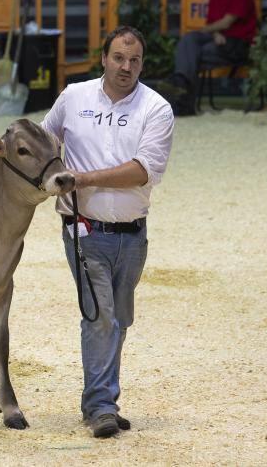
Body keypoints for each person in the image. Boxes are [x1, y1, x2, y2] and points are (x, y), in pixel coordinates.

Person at [42, 26, 174, 438]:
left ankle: (102, 398)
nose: (126, 67)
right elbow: (44, 142)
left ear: (142, 64)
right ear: (103, 58)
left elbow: (141, 171)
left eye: (134, 60)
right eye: (118, 57)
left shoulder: (157, 109)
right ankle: (101, 406)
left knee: (119, 320)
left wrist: (81, 177)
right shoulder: (72, 97)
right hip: (82, 230)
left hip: (134, 235)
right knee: (99, 316)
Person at [160, 0, 257, 115]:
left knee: (194, 54)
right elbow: (215, 25)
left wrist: (209, 30)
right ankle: (182, 84)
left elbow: (227, 22)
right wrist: (214, 33)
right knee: (190, 40)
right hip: (218, 42)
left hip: (238, 46)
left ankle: (182, 97)